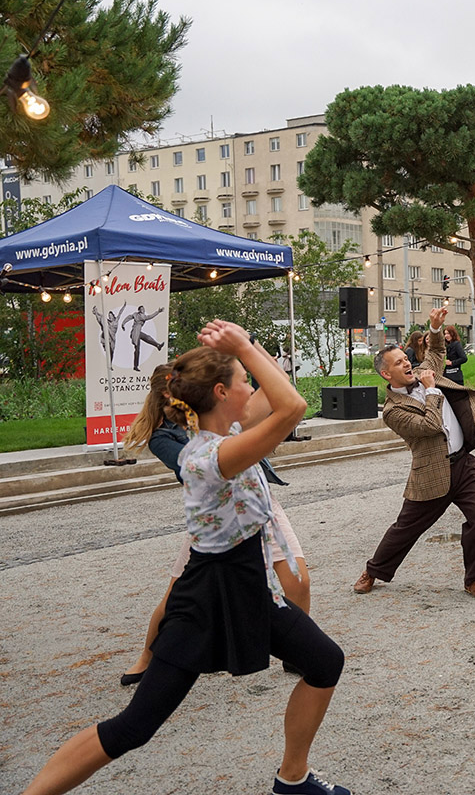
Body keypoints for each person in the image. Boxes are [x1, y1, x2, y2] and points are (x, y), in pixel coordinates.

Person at [22, 320, 349, 795]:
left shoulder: (229, 432)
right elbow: (293, 407)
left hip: (247, 588)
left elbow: (280, 387)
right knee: (133, 727)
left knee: (325, 662)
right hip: (205, 599)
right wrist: (240, 347)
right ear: (222, 392)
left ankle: (293, 779)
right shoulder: (210, 457)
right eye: (243, 380)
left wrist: (247, 345)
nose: (250, 386)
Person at [119, 364, 311, 686]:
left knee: (299, 581)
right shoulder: (165, 436)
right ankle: (148, 657)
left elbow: (279, 384)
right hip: (215, 517)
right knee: (178, 597)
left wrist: (246, 348)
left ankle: (298, 651)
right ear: (168, 393)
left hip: (257, 503)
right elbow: (195, 468)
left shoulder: (223, 414)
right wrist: (238, 434)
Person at [353, 307, 475, 600]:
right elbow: (430, 425)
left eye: (406, 359)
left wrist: (434, 328)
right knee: (405, 529)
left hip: (463, 465)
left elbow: (437, 352)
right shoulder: (393, 411)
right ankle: (373, 570)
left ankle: (474, 579)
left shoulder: (422, 372)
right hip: (431, 472)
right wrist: (432, 391)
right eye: (399, 362)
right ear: (386, 373)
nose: (407, 363)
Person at [121, 304, 165, 372]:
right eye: (142, 309)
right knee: (138, 349)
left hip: (138, 332)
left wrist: (123, 324)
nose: (143, 310)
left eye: (143, 309)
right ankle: (135, 366)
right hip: (135, 332)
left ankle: (157, 345)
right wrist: (158, 312)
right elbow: (149, 317)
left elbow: (129, 317)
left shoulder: (138, 315)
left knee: (146, 339)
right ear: (139, 310)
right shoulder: (140, 316)